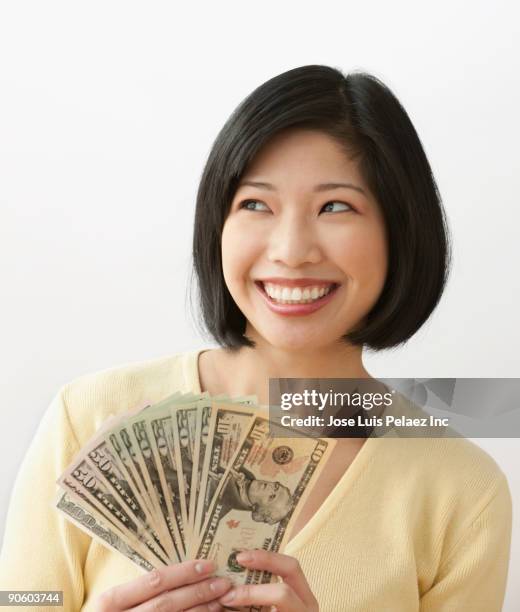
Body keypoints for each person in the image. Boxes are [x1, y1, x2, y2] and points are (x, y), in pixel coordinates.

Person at [0, 65, 512, 611]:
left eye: (335, 206)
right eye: (255, 204)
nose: (291, 250)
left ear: (400, 233)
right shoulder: (87, 415)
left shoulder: (462, 491)